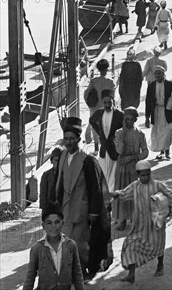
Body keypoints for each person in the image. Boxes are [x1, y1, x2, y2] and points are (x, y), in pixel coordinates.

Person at [55, 117, 112, 280]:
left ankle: (87, 270)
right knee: (65, 242)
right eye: (66, 139)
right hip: (65, 209)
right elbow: (58, 184)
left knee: (80, 243)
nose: (68, 142)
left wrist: (94, 212)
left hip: (82, 209)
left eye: (72, 139)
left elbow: (95, 189)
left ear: (79, 140)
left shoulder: (88, 161)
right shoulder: (62, 157)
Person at [110, 160, 172, 284]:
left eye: (147, 174)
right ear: (138, 175)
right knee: (131, 245)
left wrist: (167, 208)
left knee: (158, 246)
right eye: (142, 175)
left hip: (156, 225)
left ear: (150, 173)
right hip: (139, 225)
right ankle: (131, 274)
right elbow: (124, 193)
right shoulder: (135, 186)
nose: (145, 177)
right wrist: (113, 194)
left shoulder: (158, 185)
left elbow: (170, 195)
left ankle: (160, 265)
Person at [23, 201, 84, 290]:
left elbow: (77, 275)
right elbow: (30, 278)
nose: (53, 226)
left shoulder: (71, 246)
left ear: (62, 224)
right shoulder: (37, 249)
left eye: (57, 222)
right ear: (43, 226)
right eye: (49, 223)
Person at [114, 107, 149, 231]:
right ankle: (122, 220)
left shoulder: (140, 134)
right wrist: (123, 132)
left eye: (131, 119)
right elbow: (119, 151)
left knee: (135, 193)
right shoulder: (118, 133)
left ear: (135, 120)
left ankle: (135, 220)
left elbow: (145, 152)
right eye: (126, 119)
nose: (128, 122)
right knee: (122, 192)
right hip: (121, 168)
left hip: (134, 168)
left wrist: (133, 157)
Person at [89, 93, 124, 193]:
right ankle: (105, 194)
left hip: (114, 150)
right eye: (105, 103)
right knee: (103, 173)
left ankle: (112, 194)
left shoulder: (120, 115)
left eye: (109, 102)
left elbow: (123, 128)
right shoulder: (99, 113)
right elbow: (91, 121)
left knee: (114, 174)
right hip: (104, 150)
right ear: (102, 103)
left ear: (113, 102)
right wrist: (99, 133)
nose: (107, 105)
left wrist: (116, 137)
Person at [145, 66, 172, 160]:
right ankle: (161, 152)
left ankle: (167, 152)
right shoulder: (151, 85)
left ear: (163, 74)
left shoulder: (169, 84)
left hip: (167, 112)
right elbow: (148, 101)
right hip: (156, 111)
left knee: (167, 131)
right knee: (159, 131)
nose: (157, 75)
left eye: (159, 73)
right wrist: (147, 117)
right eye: (155, 74)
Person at [83, 58, 115, 153]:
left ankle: (96, 147)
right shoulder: (110, 82)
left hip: (95, 108)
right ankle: (105, 146)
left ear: (99, 70)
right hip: (107, 107)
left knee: (95, 126)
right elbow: (113, 96)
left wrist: (89, 104)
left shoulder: (93, 81)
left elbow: (86, 93)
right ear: (107, 69)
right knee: (107, 126)